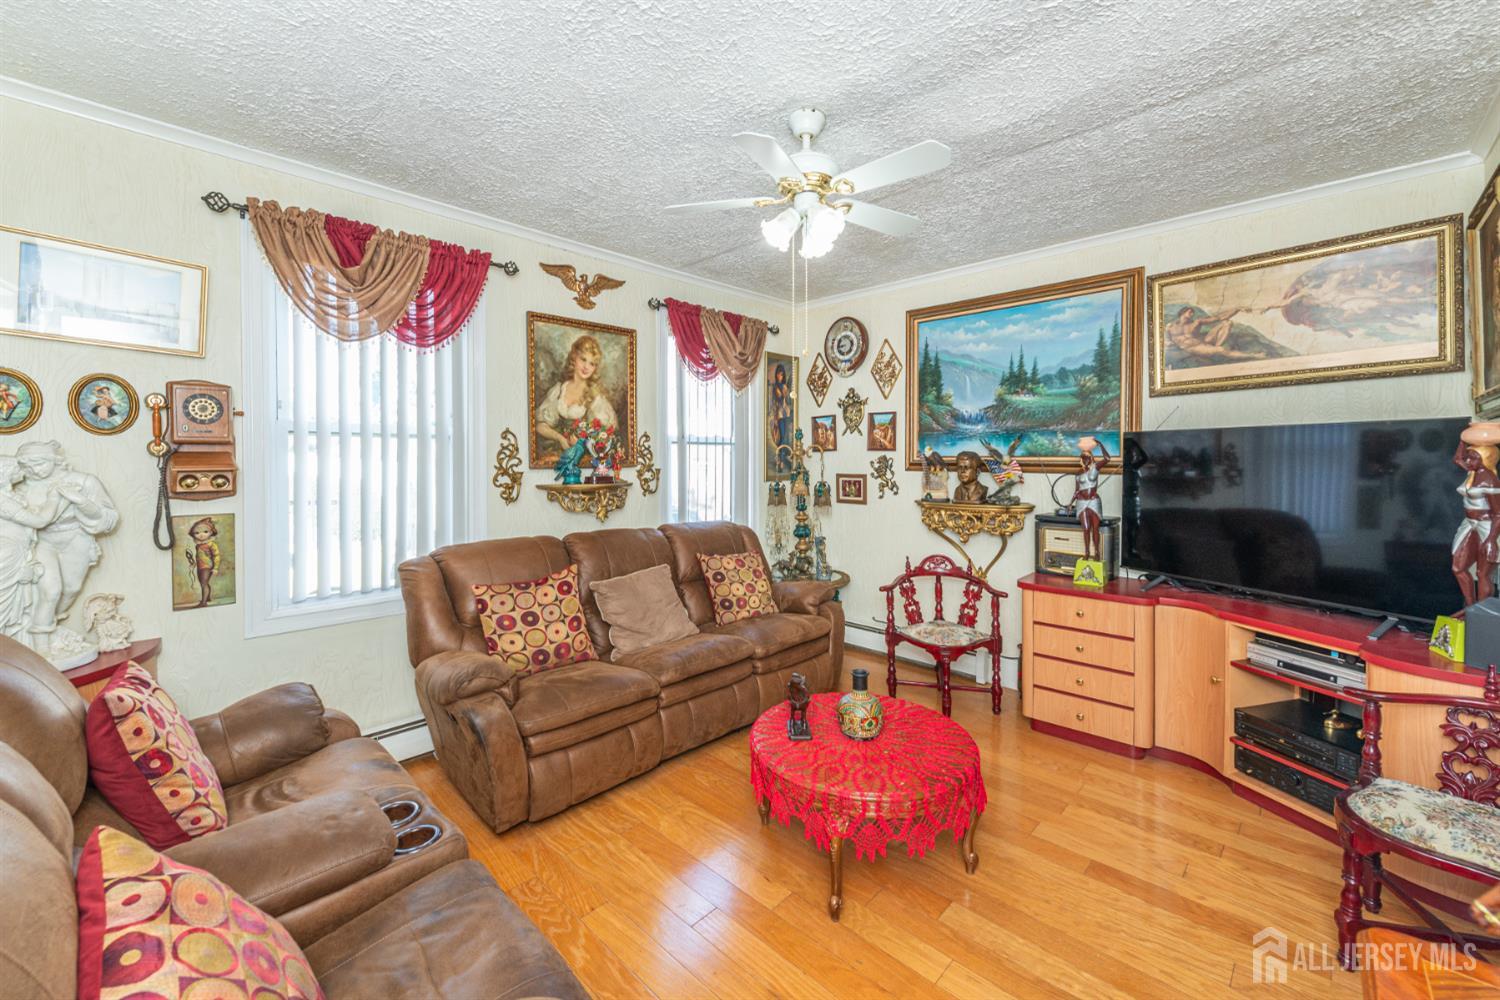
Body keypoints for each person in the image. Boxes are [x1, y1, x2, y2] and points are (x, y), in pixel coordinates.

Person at [12, 441, 119, 656]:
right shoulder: (19, 487)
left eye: (39, 463)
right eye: (27, 465)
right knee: (51, 590)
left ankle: (51, 629)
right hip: (41, 540)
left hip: (75, 537)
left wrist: (80, 501)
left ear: (54, 460)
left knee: (71, 588)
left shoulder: (83, 482)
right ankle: (41, 647)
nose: (33, 470)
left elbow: (109, 518)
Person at [535, 335, 618, 461]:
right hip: (557, 452)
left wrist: (583, 443)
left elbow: (607, 434)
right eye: (583, 359)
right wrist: (560, 438)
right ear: (574, 358)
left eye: (592, 364)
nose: (586, 367)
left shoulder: (595, 397)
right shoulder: (559, 390)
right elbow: (540, 426)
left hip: (583, 457)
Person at [1451, 439, 1500, 606]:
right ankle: (1470, 607)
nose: (1468, 460)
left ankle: (1482, 611)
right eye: (1469, 457)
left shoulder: (1490, 480)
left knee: (1482, 573)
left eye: (1473, 457)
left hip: (1487, 526)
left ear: (1485, 459)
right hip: (1469, 523)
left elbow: (1498, 513)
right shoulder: (1471, 472)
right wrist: (1464, 439)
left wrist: (1492, 540)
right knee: (1458, 567)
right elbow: (1458, 458)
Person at [1071, 436, 1109, 561]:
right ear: (1080, 459)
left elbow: (1107, 458)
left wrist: (1100, 444)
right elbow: (1077, 490)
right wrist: (1070, 503)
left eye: (1088, 457)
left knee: (1095, 529)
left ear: (1091, 458)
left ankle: (1097, 552)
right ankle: (1087, 552)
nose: (1085, 459)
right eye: (1083, 458)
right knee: (1086, 529)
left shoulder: (1096, 468)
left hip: (1093, 501)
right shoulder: (1078, 473)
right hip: (1081, 502)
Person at [185, 516, 221, 607]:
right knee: (203, 583)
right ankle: (207, 597)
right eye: (197, 533)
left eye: (205, 532)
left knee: (204, 583)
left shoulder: (211, 544)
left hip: (207, 567)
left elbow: (216, 556)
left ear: (211, 532)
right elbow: (198, 556)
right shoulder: (198, 545)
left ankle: (203, 602)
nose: (201, 535)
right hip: (200, 566)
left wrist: (216, 568)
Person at [769, 364, 793, 474]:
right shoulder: (775, 387)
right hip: (779, 414)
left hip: (785, 414)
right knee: (781, 437)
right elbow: (777, 400)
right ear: (776, 374)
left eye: (782, 374)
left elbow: (787, 399)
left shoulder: (784, 386)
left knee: (784, 437)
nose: (780, 376)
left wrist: (785, 392)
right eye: (779, 374)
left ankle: (780, 459)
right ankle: (780, 459)